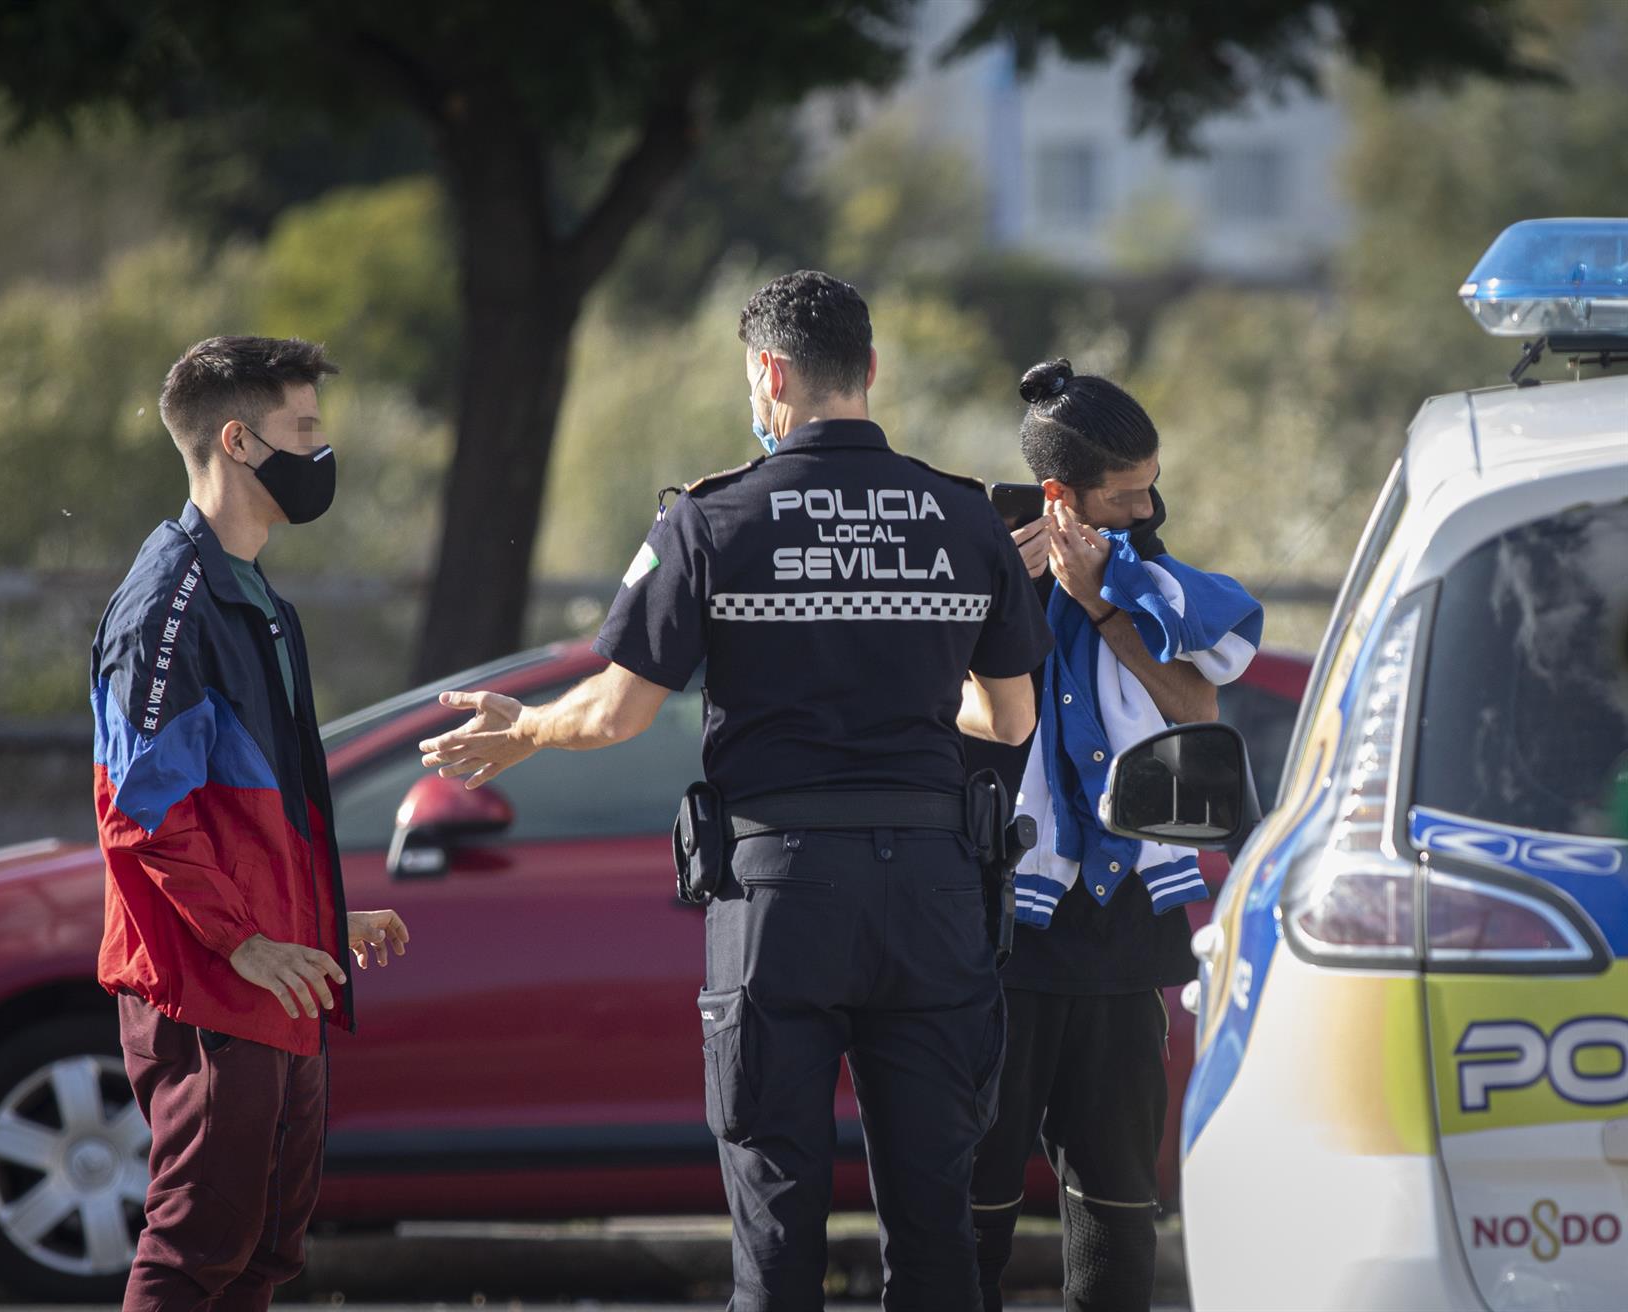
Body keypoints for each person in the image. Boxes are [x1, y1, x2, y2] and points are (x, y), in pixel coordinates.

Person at [418, 271, 1053, 1311]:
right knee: (937, 1228)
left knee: (775, 1220)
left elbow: (617, 712)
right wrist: (907, 695)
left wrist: (527, 727)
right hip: (938, 896)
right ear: (871, 370)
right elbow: (1012, 719)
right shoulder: (962, 517)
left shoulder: (710, 521)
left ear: (769, 375)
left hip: (780, 896)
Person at [91, 335, 412, 1311]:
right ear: (238, 441)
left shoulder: (257, 594)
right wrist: (249, 943)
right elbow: (140, 815)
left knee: (264, 1256)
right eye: (303, 429)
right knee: (197, 1252)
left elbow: (252, 813)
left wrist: (316, 924)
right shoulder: (168, 603)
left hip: (277, 984)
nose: (322, 450)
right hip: (209, 990)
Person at [967, 359, 1262, 1312]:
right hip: (1004, 930)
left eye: (1152, 485)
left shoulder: (1154, 587)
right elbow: (948, 711)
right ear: (1062, 495)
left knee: (1117, 1205)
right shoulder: (979, 572)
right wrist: (999, 609)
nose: (1149, 508)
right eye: (1126, 494)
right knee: (974, 1205)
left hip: (1128, 930)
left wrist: (1103, 604)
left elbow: (1196, 704)